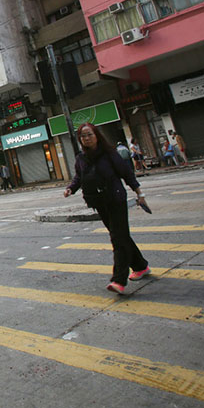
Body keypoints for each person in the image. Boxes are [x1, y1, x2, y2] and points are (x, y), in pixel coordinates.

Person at [64, 123, 151, 294]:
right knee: (120, 235)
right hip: (98, 202)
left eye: (89, 134)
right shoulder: (81, 157)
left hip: (115, 199)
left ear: (96, 135)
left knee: (118, 238)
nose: (86, 138)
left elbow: (127, 174)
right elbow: (79, 177)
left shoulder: (110, 154)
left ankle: (119, 280)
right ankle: (141, 266)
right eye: (83, 136)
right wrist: (70, 189)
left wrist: (140, 194)